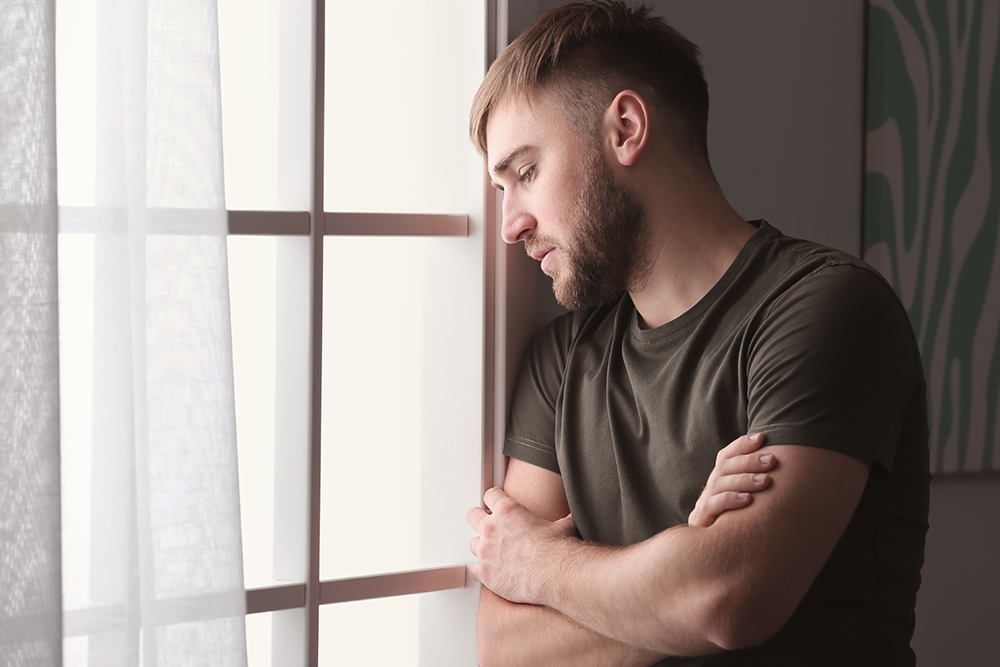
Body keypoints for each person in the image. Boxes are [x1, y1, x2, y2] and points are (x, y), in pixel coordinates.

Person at [465, 2, 930, 666]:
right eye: (502, 188)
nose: (511, 224)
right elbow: (504, 647)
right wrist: (682, 557)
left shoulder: (826, 309)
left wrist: (534, 563)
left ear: (626, 129)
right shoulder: (560, 363)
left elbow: (725, 600)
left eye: (527, 173)